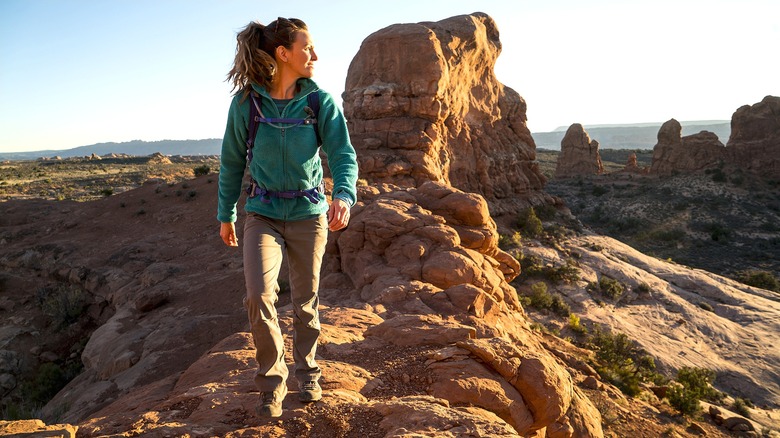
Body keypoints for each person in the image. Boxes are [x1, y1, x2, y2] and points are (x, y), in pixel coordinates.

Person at [217, 17, 358, 418]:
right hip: (261, 214)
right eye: (307, 47)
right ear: (284, 54)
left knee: (305, 302)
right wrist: (225, 213)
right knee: (259, 296)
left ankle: (308, 371)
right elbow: (230, 163)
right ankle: (271, 383)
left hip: (308, 214)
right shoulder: (248, 103)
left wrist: (343, 195)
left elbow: (343, 154)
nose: (315, 55)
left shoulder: (319, 103)